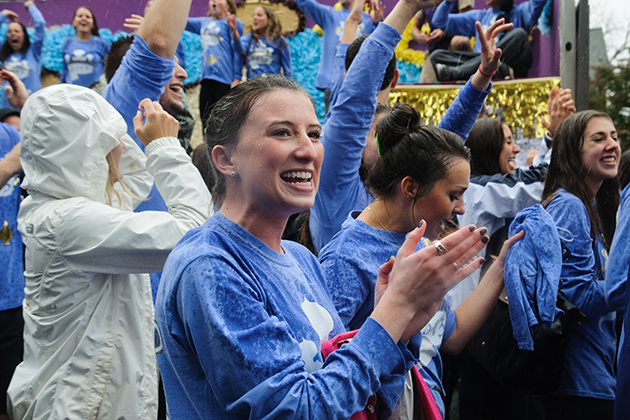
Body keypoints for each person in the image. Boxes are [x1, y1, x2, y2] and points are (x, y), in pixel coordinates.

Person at [154, 74, 490, 420]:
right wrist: (393, 312)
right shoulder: (211, 266)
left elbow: (359, 400)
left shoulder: (301, 259)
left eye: (314, 134)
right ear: (226, 160)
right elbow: (298, 411)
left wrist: (399, 329)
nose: (307, 150)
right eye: (282, 132)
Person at [6, 84, 212, 420]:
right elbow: (195, 235)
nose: (120, 145)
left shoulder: (63, 209)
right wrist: (164, 147)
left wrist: (118, 137)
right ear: (80, 149)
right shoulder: (69, 222)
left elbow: (130, 184)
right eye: (105, 138)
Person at [319, 102, 523, 417]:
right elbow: (330, 375)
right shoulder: (345, 258)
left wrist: (501, 266)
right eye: (454, 195)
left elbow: (450, 337)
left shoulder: (419, 244)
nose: (461, 208)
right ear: (410, 187)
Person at [309, 2, 512, 253]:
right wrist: (407, 6)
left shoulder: (399, 196)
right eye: (378, 133)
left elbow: (445, 141)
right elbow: (354, 102)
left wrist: (482, 75)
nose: (395, 142)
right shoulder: (336, 190)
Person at [537, 110, 621, 420]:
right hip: (577, 383)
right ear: (574, 152)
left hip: (596, 374)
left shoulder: (595, 205)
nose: (611, 144)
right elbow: (580, 295)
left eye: (614, 136)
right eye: (598, 139)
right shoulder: (570, 205)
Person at [294, 0, 381, 112]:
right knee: (333, 123)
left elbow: (378, 49)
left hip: (359, 84)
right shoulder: (330, 15)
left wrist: (378, 22)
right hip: (332, 83)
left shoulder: (369, 19)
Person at [429, 0, 548, 81]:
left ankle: (460, 72)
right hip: (480, 61)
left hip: (508, 62)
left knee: (520, 35)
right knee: (436, 56)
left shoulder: (521, 12)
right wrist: (448, 1)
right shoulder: (479, 17)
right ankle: (487, 68)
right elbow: (439, 21)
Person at [186, 0, 244, 120]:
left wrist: (237, 77)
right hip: (206, 79)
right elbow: (181, 22)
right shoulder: (203, 22)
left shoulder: (233, 22)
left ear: (227, 5)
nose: (214, 1)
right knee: (206, 119)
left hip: (225, 80)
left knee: (223, 121)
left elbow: (238, 51)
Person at [0, 1, 45, 109]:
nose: (13, 34)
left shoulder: (34, 51)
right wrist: (3, 14)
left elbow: (40, 25)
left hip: (32, 108)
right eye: (9, 31)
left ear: (24, 35)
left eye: (16, 31)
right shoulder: (2, 52)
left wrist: (31, 7)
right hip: (7, 111)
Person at [230, 6, 292, 80]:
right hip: (253, 86)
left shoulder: (280, 41)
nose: (255, 18)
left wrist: (289, 88)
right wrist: (234, 30)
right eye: (254, 15)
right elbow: (239, 49)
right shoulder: (250, 37)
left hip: (272, 87)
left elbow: (288, 70)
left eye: (259, 15)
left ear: (270, 19)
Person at [60, 7, 110, 88]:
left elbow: (109, 69)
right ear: (73, 22)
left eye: (88, 17)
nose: (84, 18)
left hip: (96, 92)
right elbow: (65, 71)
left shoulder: (101, 43)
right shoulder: (67, 43)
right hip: (71, 92)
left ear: (93, 24)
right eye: (80, 16)